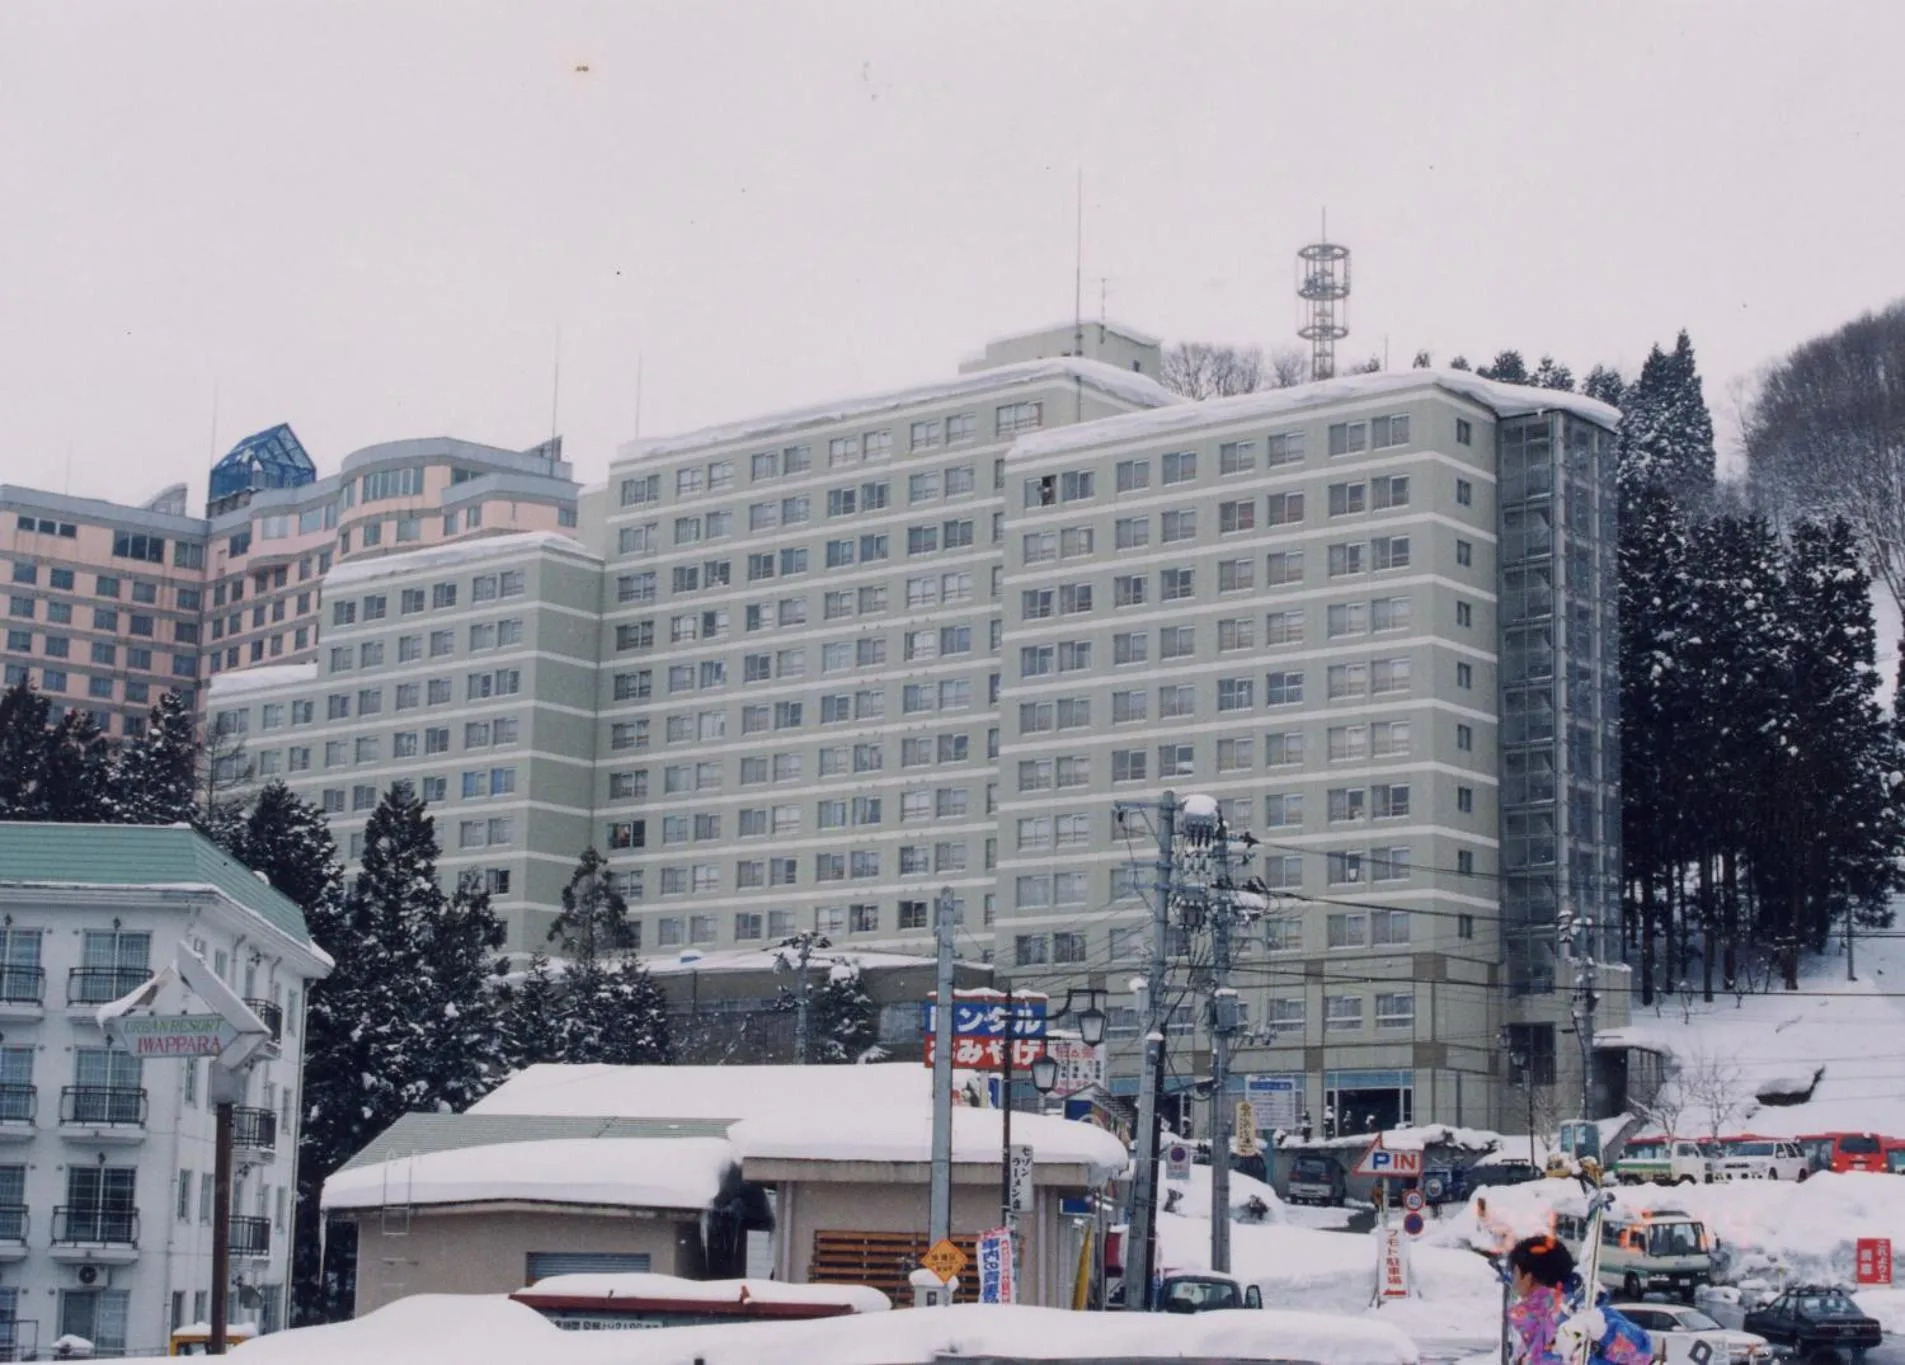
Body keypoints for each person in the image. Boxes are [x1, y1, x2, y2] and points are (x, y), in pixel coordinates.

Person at [1506, 1234, 1652, 1365]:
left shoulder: (1585, 1315)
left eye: (1512, 1274)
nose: (1512, 1282)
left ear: (1525, 1275)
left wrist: (1599, 1329)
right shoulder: (1533, 1323)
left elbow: (1641, 1354)